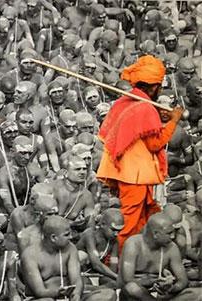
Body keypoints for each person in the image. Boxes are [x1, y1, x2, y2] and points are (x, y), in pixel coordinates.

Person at [96, 55, 184, 251]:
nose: (160, 90)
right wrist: (173, 122)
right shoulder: (144, 107)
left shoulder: (124, 101)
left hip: (129, 171)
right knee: (129, 221)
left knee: (144, 217)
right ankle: (118, 260)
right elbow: (155, 143)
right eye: (159, 86)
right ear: (153, 87)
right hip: (132, 175)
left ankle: (138, 255)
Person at [21, 216, 116, 301]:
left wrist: (77, 294)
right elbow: (40, 292)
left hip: (69, 296)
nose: (71, 237)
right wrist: (59, 292)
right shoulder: (30, 255)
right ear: (53, 238)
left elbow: (76, 280)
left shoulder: (70, 248)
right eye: (66, 235)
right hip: (44, 297)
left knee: (108, 294)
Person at [119, 213, 202, 300]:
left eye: (173, 232)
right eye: (169, 233)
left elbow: (183, 280)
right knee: (132, 288)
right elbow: (128, 280)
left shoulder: (172, 247)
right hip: (139, 295)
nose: (173, 236)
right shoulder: (133, 244)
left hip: (162, 294)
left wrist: (172, 287)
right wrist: (153, 282)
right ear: (155, 234)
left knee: (199, 294)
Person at [76, 208, 124, 287]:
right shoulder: (90, 234)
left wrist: (114, 277)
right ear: (103, 224)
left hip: (96, 274)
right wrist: (116, 277)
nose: (116, 234)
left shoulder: (114, 241)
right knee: (86, 284)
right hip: (79, 274)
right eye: (113, 230)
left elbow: (113, 264)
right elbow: (96, 264)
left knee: (113, 283)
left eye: (119, 231)